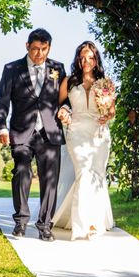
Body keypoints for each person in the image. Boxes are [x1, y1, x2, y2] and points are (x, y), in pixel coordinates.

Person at [0, 28, 67, 241]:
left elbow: (65, 98)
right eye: (35, 49)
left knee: (50, 180)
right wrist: (1, 126)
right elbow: (2, 100)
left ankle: (45, 225)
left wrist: (66, 109)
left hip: (49, 131)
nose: (39, 54)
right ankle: (21, 221)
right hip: (21, 131)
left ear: (49, 48)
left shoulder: (58, 68)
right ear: (27, 46)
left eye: (44, 49)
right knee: (21, 172)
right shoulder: (12, 69)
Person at [52, 41, 115, 240]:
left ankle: (94, 222)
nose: (86, 61)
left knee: (96, 175)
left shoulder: (105, 82)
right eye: (82, 57)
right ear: (78, 59)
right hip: (77, 131)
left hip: (99, 134)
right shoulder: (68, 81)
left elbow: (112, 110)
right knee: (84, 173)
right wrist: (63, 111)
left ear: (96, 60)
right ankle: (83, 225)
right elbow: (60, 104)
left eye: (90, 57)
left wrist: (108, 116)